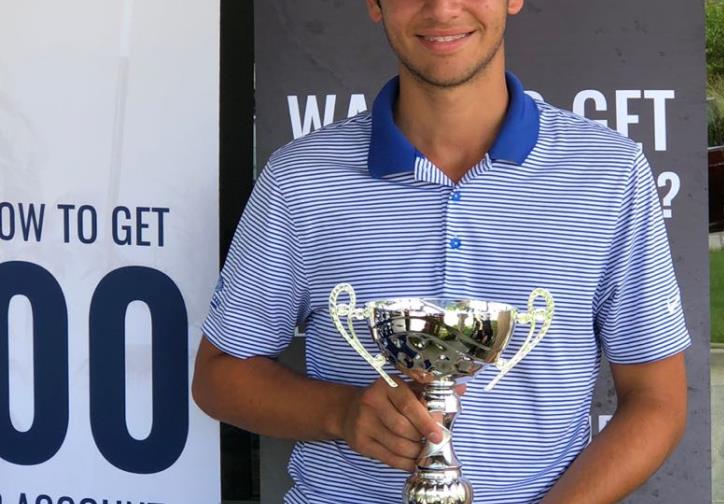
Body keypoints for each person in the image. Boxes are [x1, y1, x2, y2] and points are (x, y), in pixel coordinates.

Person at [192, 0, 691, 502]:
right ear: (374, 4)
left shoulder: (608, 171)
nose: (442, 8)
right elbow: (218, 377)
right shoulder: (301, 178)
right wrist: (341, 413)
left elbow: (657, 399)